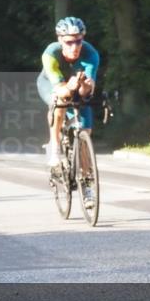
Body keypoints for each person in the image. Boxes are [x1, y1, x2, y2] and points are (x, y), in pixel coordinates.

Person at [37, 17, 100, 207]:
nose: (74, 46)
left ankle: (88, 184)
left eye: (78, 41)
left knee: (85, 133)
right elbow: (62, 90)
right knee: (61, 101)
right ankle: (54, 147)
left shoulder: (91, 55)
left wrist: (83, 86)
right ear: (60, 40)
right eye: (69, 42)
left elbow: (85, 92)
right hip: (51, 85)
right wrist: (70, 86)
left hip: (76, 86)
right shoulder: (50, 54)